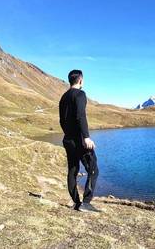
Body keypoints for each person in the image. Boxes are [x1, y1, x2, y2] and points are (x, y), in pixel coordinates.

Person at [59, 69, 100, 212]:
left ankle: (76, 202)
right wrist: (86, 137)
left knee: (72, 170)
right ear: (80, 80)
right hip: (80, 141)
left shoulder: (63, 97)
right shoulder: (81, 94)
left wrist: (68, 134)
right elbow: (81, 115)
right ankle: (86, 203)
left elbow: (62, 120)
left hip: (68, 140)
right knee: (93, 169)